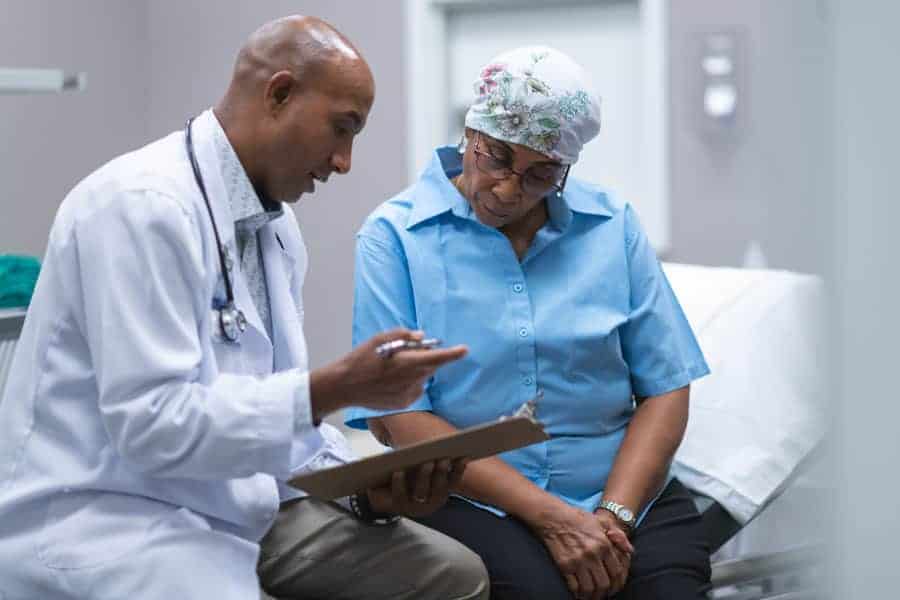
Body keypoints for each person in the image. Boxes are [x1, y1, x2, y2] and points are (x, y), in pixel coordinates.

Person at [0, 15, 489, 600]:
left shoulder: (275, 231)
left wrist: (367, 484)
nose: (344, 162)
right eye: (342, 129)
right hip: (108, 516)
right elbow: (153, 425)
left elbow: (265, 407)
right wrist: (333, 388)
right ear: (279, 94)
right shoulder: (141, 207)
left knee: (452, 578)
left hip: (246, 505)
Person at [346, 46, 712, 600]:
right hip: (474, 494)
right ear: (470, 131)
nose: (509, 189)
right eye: (495, 157)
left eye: (541, 174)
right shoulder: (395, 238)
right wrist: (553, 519)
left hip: (622, 491)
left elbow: (666, 386)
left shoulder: (612, 226)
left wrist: (613, 517)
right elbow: (404, 417)